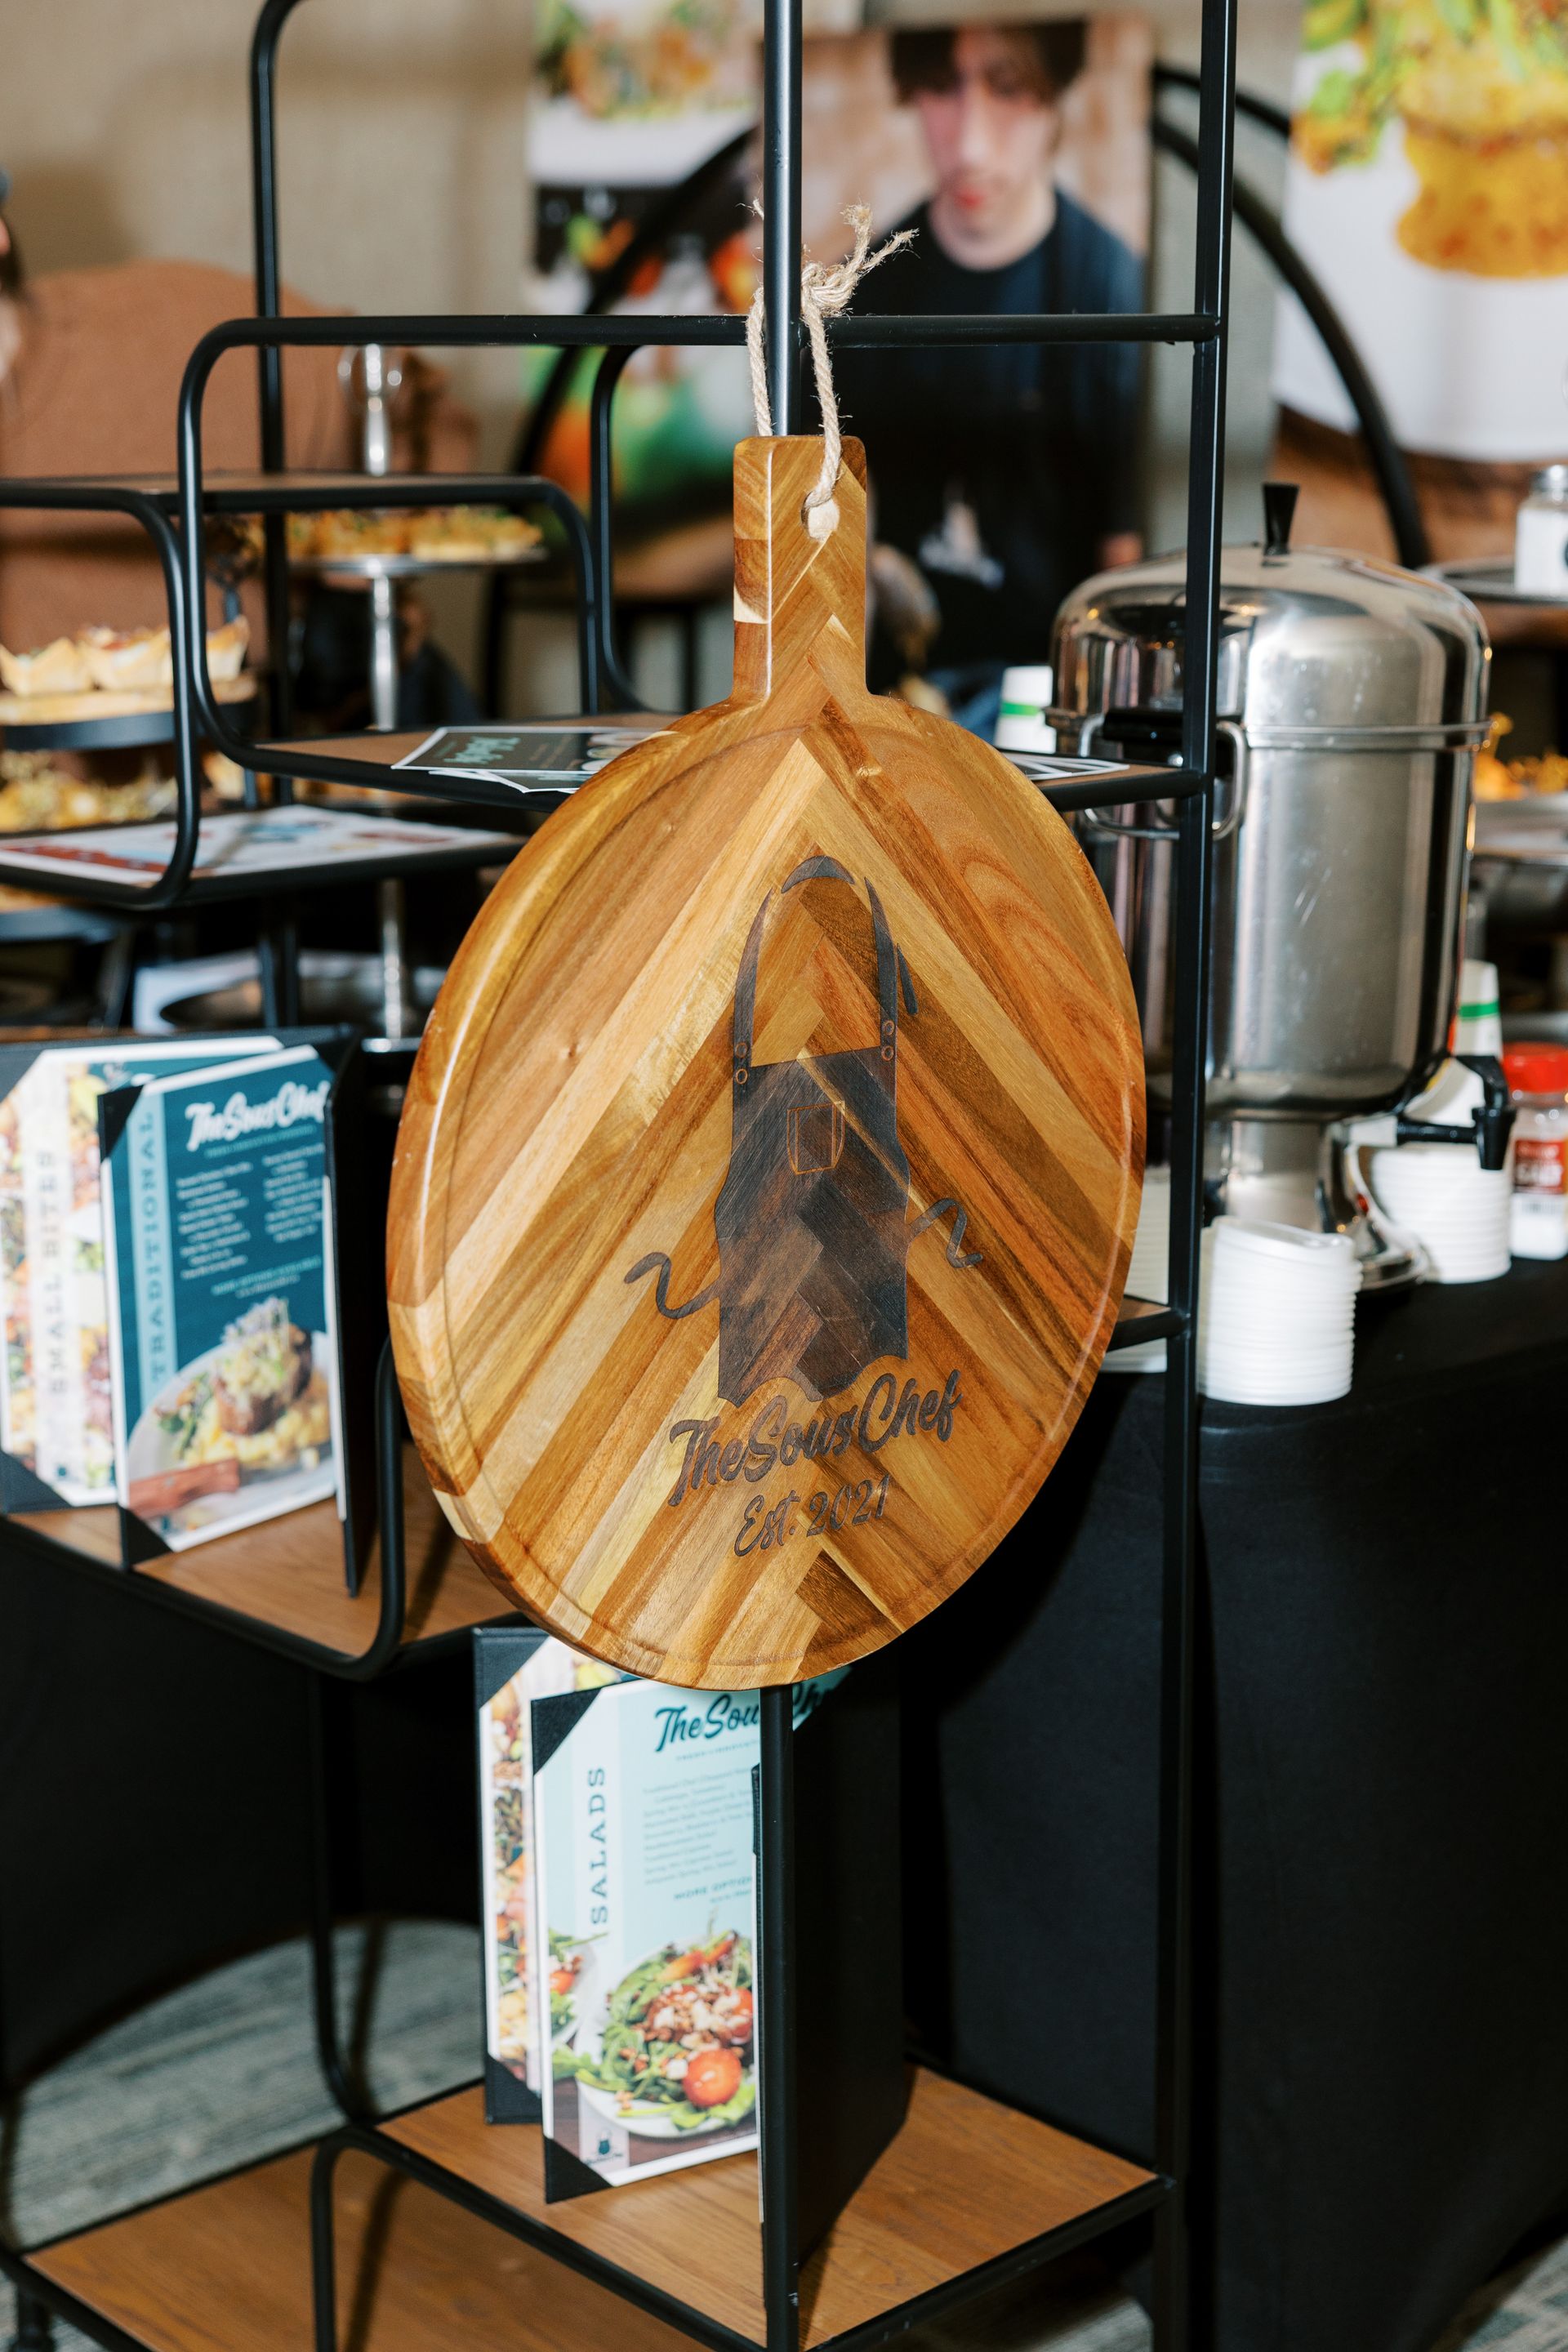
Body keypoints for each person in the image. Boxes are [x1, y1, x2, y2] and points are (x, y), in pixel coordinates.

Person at [0, 173, 478, 724]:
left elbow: (411, 401)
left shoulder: (172, 329)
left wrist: (345, 595)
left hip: (324, 757)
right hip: (69, 803)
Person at [831, 25, 1145, 722]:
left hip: (1050, 709)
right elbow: (833, 541)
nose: (970, 143)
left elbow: (1120, 553)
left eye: (1006, 88)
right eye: (944, 88)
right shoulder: (869, 290)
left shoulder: (1107, 287)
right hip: (896, 704)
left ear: (1054, 98)